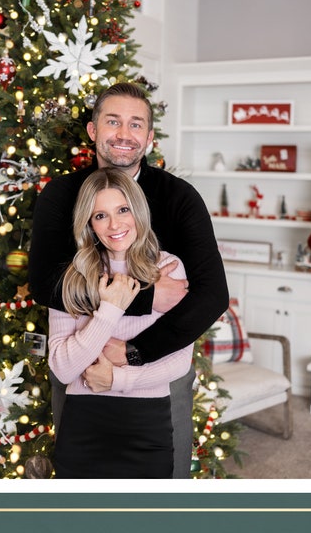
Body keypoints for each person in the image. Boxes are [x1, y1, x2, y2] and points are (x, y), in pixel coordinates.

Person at [28, 82, 229, 478]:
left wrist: (135, 352)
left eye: (136, 124)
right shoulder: (61, 194)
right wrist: (145, 298)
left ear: (150, 137)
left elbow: (212, 294)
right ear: (92, 130)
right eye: (113, 121)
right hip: (83, 370)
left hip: (159, 369)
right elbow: (45, 284)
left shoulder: (179, 198)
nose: (124, 134)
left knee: (162, 482)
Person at [50, 169, 192, 478]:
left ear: (138, 211)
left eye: (123, 210)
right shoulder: (73, 276)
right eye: (100, 215)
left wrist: (117, 380)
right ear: (89, 223)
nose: (114, 225)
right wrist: (110, 309)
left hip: (147, 425)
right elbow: (62, 368)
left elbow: (181, 361)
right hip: (84, 424)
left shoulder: (169, 268)